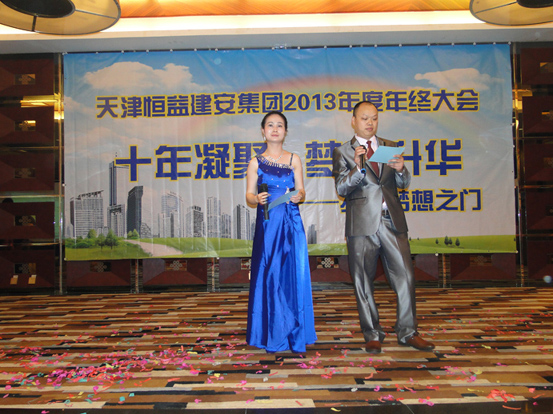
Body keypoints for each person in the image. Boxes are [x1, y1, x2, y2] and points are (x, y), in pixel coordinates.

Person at [331, 101, 435, 354]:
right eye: (364, 118)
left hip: (392, 221)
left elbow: (402, 183)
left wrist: (401, 170)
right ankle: (372, 334)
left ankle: (408, 332)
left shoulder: (388, 147)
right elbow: (342, 188)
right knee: (362, 280)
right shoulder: (343, 151)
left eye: (374, 118)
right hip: (361, 223)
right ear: (353, 120)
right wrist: (357, 168)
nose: (370, 123)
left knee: (406, 276)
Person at [245, 111, 317, 353]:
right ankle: (271, 331)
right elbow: (248, 195)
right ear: (263, 131)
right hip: (268, 223)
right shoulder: (255, 162)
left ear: (285, 131)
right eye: (270, 125)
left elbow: (302, 191)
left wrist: (299, 196)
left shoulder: (294, 159)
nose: (275, 129)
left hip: (291, 221)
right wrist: (256, 198)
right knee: (270, 272)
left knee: (293, 272)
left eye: (279, 125)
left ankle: (296, 331)